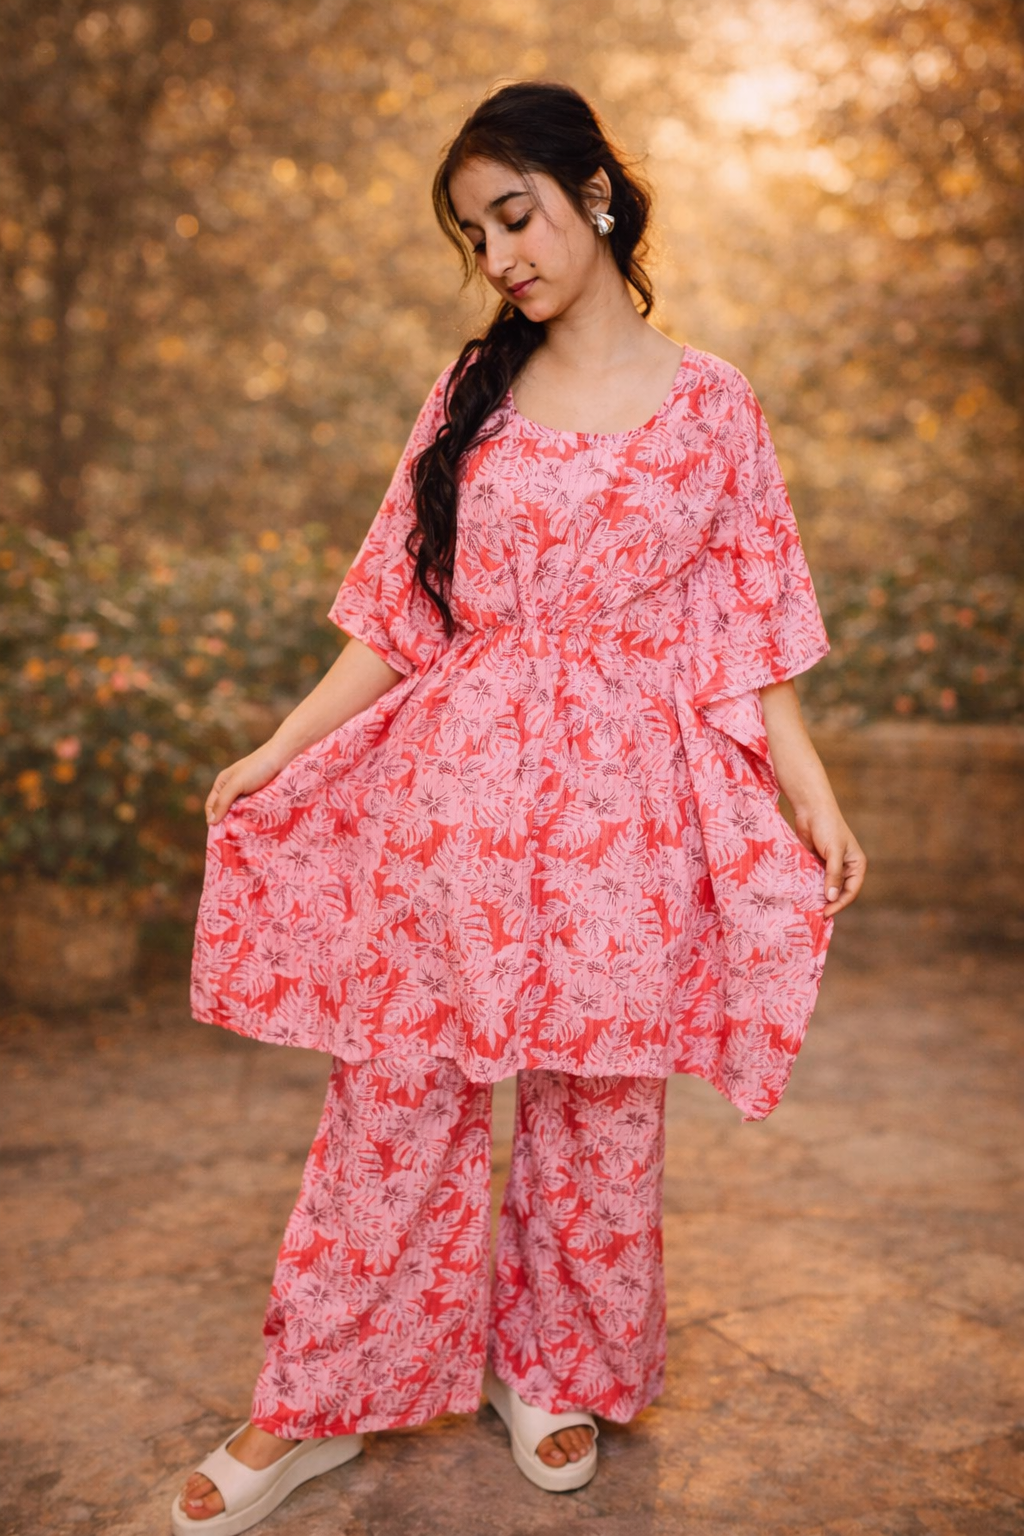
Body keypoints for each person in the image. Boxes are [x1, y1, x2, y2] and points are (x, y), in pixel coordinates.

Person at [174, 78, 866, 1532]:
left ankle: (553, 1366)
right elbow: (395, 609)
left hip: (627, 809)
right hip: (459, 794)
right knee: (397, 1090)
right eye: (476, 234)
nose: (500, 257)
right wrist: (281, 747)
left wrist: (810, 795)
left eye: (516, 215)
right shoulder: (468, 394)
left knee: (598, 1101)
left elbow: (749, 629)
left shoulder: (713, 404)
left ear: (593, 196)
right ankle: (315, 1399)